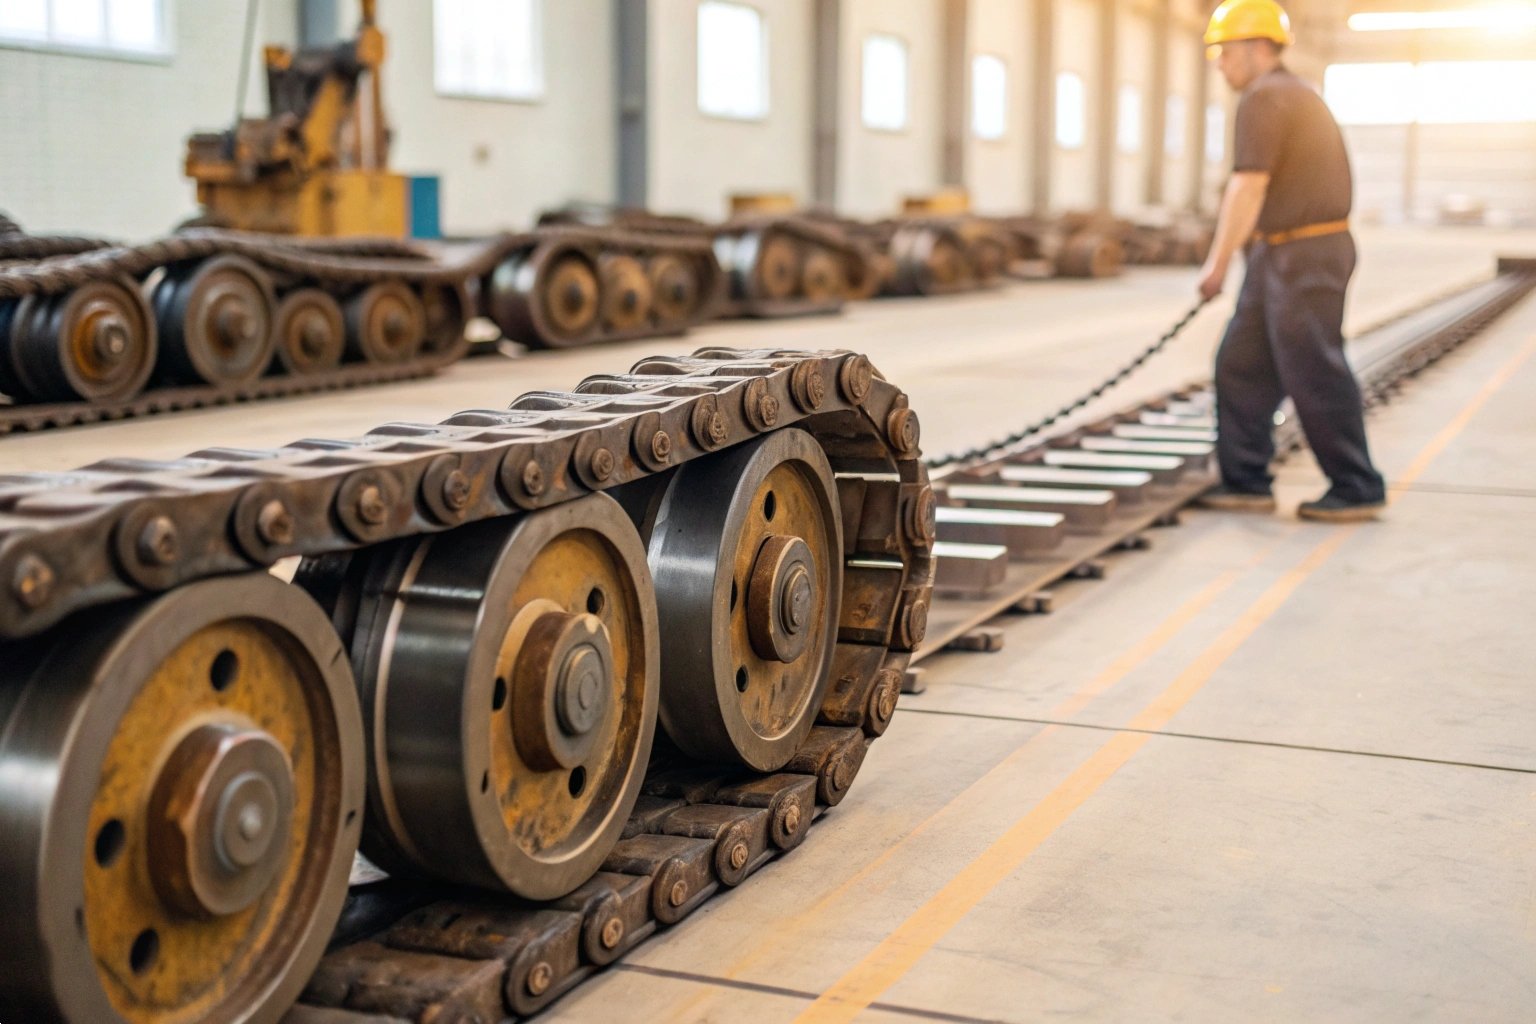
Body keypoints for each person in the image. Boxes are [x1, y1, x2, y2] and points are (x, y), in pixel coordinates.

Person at [1196, 0, 1387, 522]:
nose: (1220, 64)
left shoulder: (1266, 97)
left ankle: (1357, 486)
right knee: (1241, 364)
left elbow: (1247, 186)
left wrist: (1217, 266)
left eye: (1226, 52)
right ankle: (1246, 481)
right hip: (1280, 252)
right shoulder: (1286, 95)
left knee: (1313, 369)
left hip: (1305, 254)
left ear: (1260, 48)